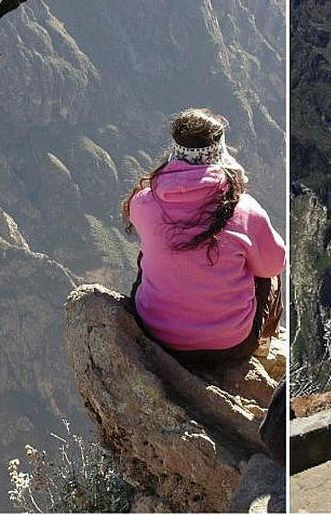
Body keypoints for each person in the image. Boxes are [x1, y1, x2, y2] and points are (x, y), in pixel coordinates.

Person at [122, 108, 286, 369]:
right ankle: (262, 344)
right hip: (228, 345)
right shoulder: (243, 209)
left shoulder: (144, 202)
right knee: (267, 265)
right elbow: (274, 264)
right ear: (220, 151)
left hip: (157, 335)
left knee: (150, 249)